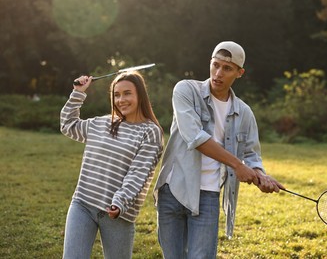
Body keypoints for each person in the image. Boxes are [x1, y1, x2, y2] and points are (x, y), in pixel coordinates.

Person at [153, 41, 284, 258]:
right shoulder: (185, 90)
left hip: (208, 195)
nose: (218, 73)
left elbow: (251, 154)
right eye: (215, 65)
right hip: (173, 189)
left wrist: (260, 175)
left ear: (239, 73)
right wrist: (237, 164)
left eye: (227, 68)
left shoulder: (245, 113)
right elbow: (195, 137)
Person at [60, 71, 163, 258]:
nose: (121, 99)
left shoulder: (150, 132)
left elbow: (139, 172)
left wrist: (120, 201)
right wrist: (78, 93)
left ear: (140, 94)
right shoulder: (101, 124)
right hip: (82, 204)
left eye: (127, 93)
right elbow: (68, 125)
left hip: (118, 213)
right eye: (116, 94)